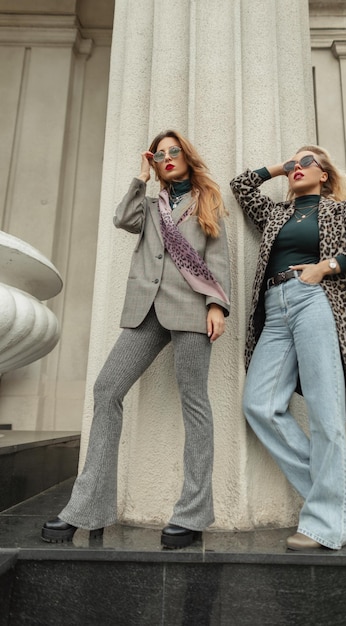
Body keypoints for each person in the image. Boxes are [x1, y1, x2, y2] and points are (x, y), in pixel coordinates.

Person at [42, 130, 230, 548]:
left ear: (187, 156)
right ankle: (87, 509)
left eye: (172, 151)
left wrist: (217, 305)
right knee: (107, 389)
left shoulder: (208, 202)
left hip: (192, 309)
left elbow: (217, 257)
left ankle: (193, 514)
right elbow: (122, 219)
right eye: (159, 154)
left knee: (194, 403)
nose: (166, 158)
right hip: (145, 310)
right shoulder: (149, 205)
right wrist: (139, 176)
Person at [230, 146, 346, 551]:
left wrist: (325, 267)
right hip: (275, 306)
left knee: (324, 408)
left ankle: (326, 526)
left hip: (315, 300)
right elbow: (241, 186)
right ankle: (334, 476)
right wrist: (281, 167)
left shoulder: (340, 212)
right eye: (294, 164)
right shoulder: (276, 214)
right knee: (259, 405)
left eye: (307, 163)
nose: (297, 169)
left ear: (326, 175)